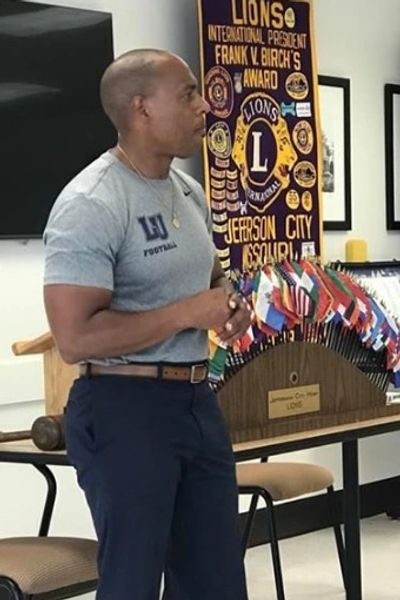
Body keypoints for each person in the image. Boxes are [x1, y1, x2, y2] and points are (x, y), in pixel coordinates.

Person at [43, 48, 251, 600]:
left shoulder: (190, 192)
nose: (205, 105)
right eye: (187, 94)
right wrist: (187, 314)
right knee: (134, 583)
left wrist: (227, 305)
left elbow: (210, 283)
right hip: (122, 408)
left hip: (195, 401)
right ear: (141, 110)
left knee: (216, 582)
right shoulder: (92, 201)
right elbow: (74, 338)